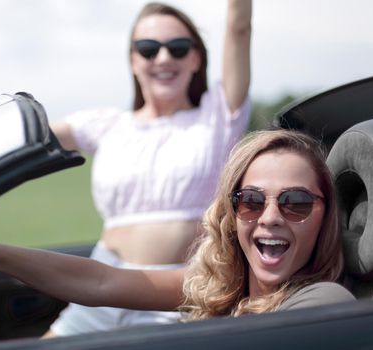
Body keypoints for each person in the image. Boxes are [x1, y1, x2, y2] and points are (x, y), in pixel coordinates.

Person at [0, 129, 355, 331]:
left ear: (325, 215)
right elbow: (101, 281)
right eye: (252, 200)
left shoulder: (322, 305)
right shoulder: (224, 287)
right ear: (232, 211)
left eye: (296, 202)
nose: (271, 216)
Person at [44, 0, 252, 335]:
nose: (164, 58)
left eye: (179, 48)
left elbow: (239, 28)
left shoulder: (218, 117)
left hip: (179, 298)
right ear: (133, 60)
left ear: (196, 59)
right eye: (148, 49)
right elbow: (21, 137)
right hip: (97, 294)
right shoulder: (106, 124)